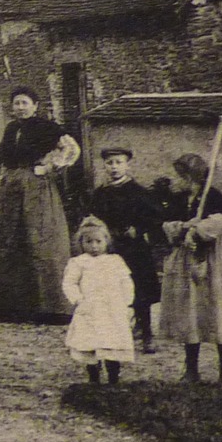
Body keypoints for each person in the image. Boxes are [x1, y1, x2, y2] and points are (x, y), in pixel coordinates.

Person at [0, 86, 80, 324]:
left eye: (25, 103)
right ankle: (8, 306)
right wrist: (1, 185)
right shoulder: (11, 128)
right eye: (16, 103)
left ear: (35, 105)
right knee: (8, 240)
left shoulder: (45, 127)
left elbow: (71, 148)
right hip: (11, 189)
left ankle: (50, 307)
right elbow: (6, 161)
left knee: (40, 240)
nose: (20, 107)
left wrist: (50, 167)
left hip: (36, 187)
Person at [158, 152, 222, 383]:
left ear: (190, 177)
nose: (173, 180)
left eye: (178, 176)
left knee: (218, 311)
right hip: (186, 262)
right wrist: (182, 227)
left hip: (214, 262)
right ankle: (191, 369)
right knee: (190, 314)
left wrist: (199, 229)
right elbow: (167, 225)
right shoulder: (178, 199)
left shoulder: (212, 197)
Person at [88, 146, 164, 354]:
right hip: (109, 248)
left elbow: (155, 217)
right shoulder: (100, 193)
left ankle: (147, 333)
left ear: (127, 165)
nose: (114, 167)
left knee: (139, 289)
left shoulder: (138, 192)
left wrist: (138, 229)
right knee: (109, 290)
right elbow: (93, 217)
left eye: (118, 162)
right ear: (104, 165)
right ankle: (111, 334)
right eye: (110, 163)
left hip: (134, 249)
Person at [62, 216, 135, 385]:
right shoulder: (78, 263)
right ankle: (94, 379)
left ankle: (113, 379)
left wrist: (127, 303)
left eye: (98, 241)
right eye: (89, 242)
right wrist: (79, 300)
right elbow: (69, 283)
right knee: (90, 344)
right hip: (91, 309)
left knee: (112, 342)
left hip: (113, 309)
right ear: (81, 243)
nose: (94, 246)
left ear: (106, 241)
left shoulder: (115, 261)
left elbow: (126, 282)